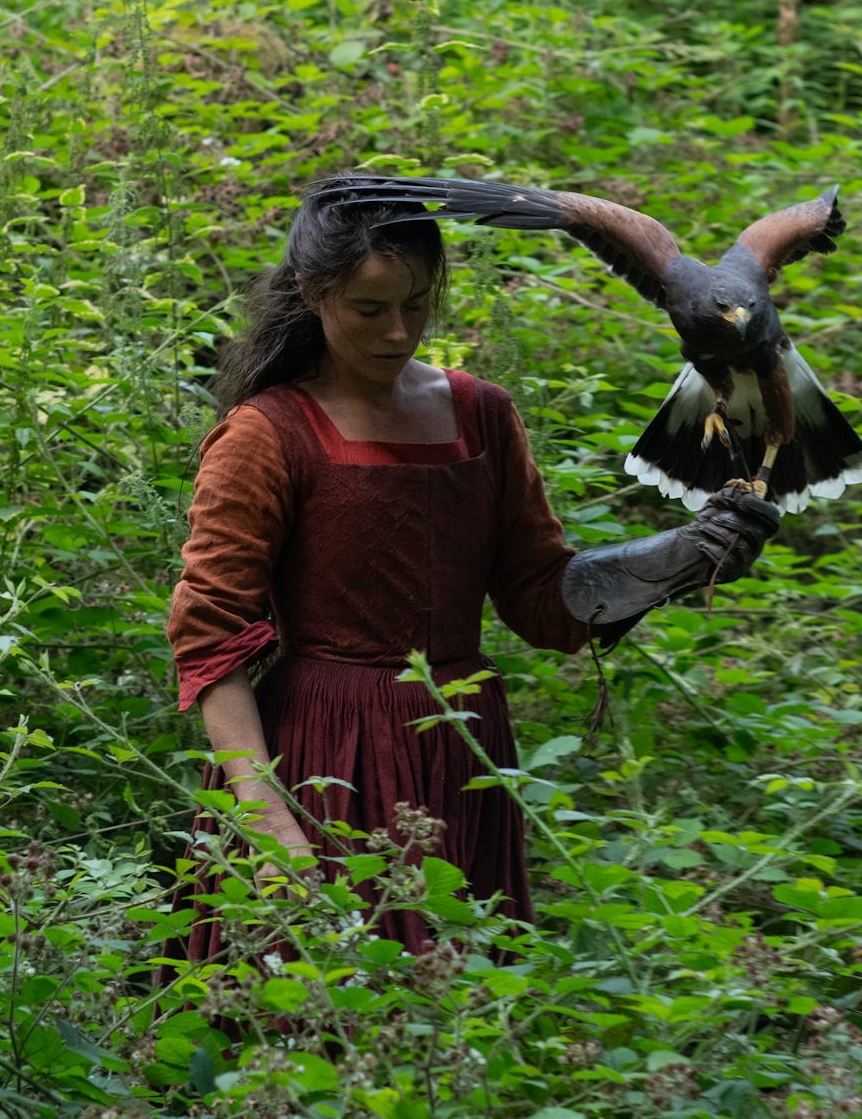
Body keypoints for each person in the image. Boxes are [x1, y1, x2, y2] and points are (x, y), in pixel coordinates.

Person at [166, 176, 780, 958]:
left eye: (417, 304)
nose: (398, 331)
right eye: (369, 309)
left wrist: (679, 558)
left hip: (460, 744)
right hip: (322, 752)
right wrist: (264, 812)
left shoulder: (481, 413)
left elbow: (540, 599)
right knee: (313, 1015)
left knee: (456, 1012)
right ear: (310, 294)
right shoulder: (266, 434)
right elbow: (211, 632)